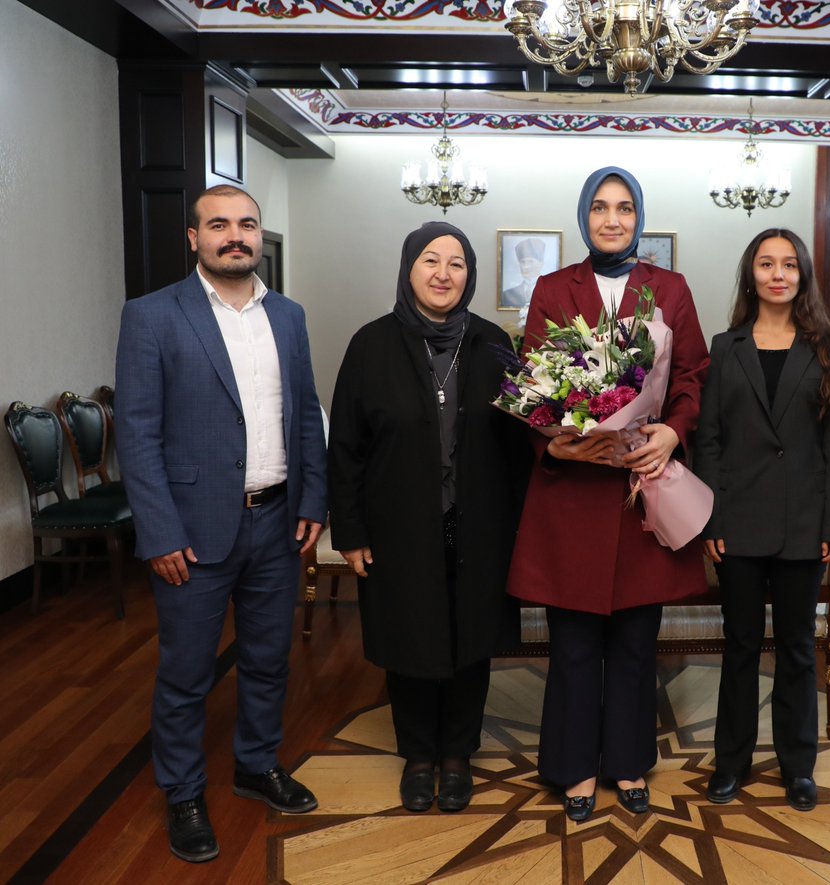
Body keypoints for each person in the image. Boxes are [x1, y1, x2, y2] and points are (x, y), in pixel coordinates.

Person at [115, 184, 327, 864]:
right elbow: (138, 433)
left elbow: (306, 415)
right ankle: (182, 791)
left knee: (268, 661)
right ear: (192, 236)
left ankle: (255, 763)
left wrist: (312, 502)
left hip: (276, 523)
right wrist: (158, 530)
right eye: (219, 225)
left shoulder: (288, 317)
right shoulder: (152, 316)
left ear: (259, 235)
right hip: (191, 530)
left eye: (246, 224)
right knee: (185, 673)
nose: (234, 235)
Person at [507, 166, 710, 822]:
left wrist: (673, 434)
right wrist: (557, 441)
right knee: (570, 643)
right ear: (584, 217)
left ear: (639, 217)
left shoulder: (670, 289)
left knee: (634, 640)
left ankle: (627, 763)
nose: (612, 219)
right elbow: (534, 380)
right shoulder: (550, 288)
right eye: (600, 207)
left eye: (624, 207)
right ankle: (572, 767)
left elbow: (691, 375)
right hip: (572, 492)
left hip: (639, 493)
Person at [327, 221, 531, 814]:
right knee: (408, 637)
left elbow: (520, 447)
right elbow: (345, 446)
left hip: (482, 524)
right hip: (397, 525)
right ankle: (418, 755)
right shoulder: (371, 345)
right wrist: (353, 530)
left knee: (471, 641)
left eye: (457, 264)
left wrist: (520, 529)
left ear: (470, 276)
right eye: (430, 261)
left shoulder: (495, 344)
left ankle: (457, 756)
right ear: (409, 269)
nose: (443, 274)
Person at [694, 228, 830, 811]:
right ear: (751, 274)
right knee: (739, 646)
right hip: (736, 521)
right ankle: (730, 764)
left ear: (804, 277)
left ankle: (798, 767)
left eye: (789, 264)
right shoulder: (724, 346)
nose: (778, 274)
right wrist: (709, 517)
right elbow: (708, 441)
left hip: (803, 524)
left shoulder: (829, 348)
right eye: (767, 264)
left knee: (794, 649)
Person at [501, 237, 546, 307]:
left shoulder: (549, 292)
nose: (525, 266)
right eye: (523, 262)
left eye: (530, 261)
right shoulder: (507, 294)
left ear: (541, 264)